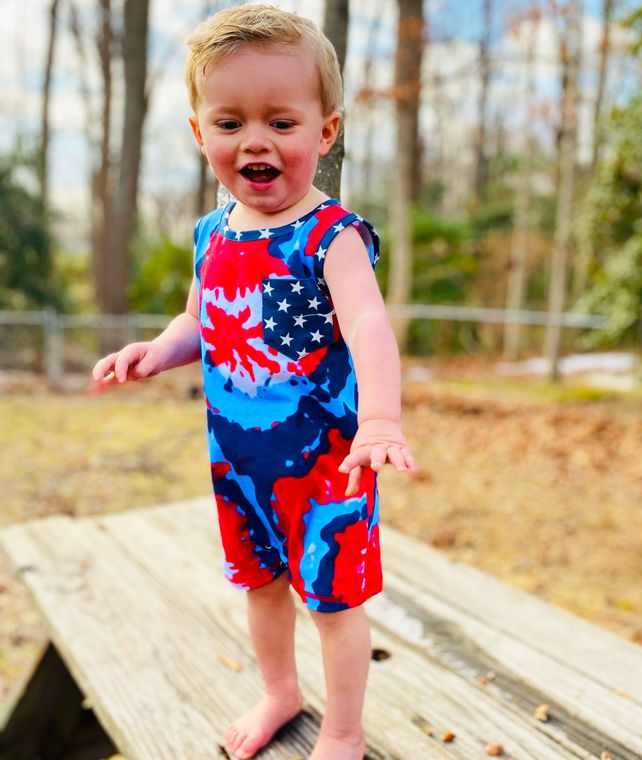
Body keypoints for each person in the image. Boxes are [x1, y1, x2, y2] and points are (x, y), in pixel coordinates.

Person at [91, 5, 415, 759]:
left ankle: (343, 729)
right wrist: (157, 350)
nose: (257, 141)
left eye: (281, 121)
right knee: (260, 586)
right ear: (202, 135)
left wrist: (383, 420)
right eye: (231, 123)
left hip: (327, 465)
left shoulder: (331, 236)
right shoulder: (212, 234)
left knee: (333, 602)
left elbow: (369, 326)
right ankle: (278, 690)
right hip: (238, 462)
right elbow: (199, 321)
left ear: (325, 132)